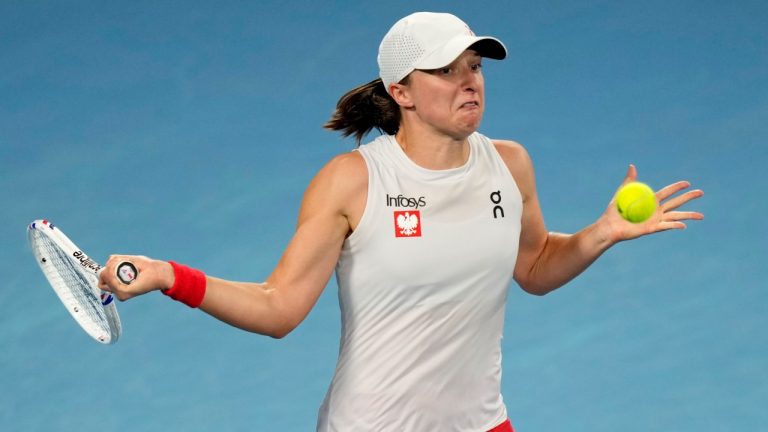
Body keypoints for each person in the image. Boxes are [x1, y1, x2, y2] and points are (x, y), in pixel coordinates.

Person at [99, 11, 704, 432]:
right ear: (402, 92)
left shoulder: (509, 164)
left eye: (475, 66)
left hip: (483, 423)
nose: (469, 82)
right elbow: (279, 308)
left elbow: (536, 266)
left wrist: (600, 234)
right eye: (446, 70)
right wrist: (169, 275)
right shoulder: (353, 181)